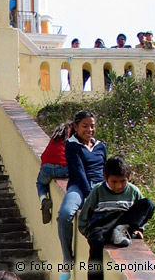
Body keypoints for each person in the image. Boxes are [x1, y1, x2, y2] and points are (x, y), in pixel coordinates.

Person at [78, 156, 155, 280]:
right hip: (104, 224)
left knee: (148, 204)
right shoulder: (98, 190)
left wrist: (139, 228)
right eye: (114, 182)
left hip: (124, 223)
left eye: (123, 181)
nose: (119, 186)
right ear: (105, 177)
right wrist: (88, 232)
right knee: (95, 245)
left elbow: (141, 213)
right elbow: (85, 215)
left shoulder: (133, 191)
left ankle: (120, 230)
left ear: (128, 178)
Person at [56, 111, 106, 280]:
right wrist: (89, 198)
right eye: (85, 126)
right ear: (76, 127)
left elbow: (105, 172)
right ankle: (67, 259)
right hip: (79, 186)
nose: (89, 129)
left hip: (100, 186)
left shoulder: (101, 146)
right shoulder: (72, 145)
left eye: (92, 125)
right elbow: (78, 173)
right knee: (65, 215)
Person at [36, 121, 71, 224]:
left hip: (47, 167)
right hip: (64, 168)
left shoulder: (54, 139)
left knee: (41, 183)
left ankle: (43, 199)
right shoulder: (71, 139)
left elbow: (44, 156)